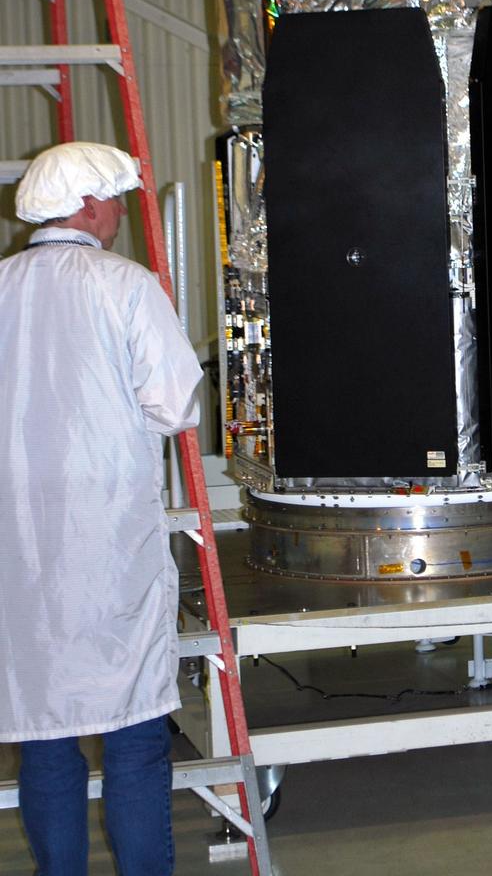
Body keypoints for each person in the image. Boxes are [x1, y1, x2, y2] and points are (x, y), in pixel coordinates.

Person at [0, 142, 203, 875]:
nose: (118, 213)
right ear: (87, 206)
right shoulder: (124, 285)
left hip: (18, 552)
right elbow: (175, 404)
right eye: (114, 200)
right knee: (134, 738)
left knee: (43, 734)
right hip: (107, 541)